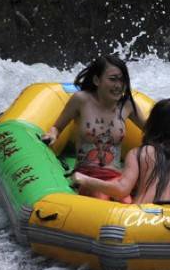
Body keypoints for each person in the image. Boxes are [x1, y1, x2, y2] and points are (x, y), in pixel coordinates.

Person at [71, 98, 170, 205]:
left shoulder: (139, 153)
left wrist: (85, 179)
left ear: (152, 124)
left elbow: (122, 190)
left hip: (144, 215)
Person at [41, 55, 147, 202]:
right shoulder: (81, 100)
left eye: (122, 80)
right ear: (97, 80)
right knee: (101, 196)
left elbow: (151, 130)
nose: (118, 85)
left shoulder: (127, 105)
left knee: (126, 202)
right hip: (87, 174)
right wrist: (51, 135)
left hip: (115, 176)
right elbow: (57, 127)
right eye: (113, 79)